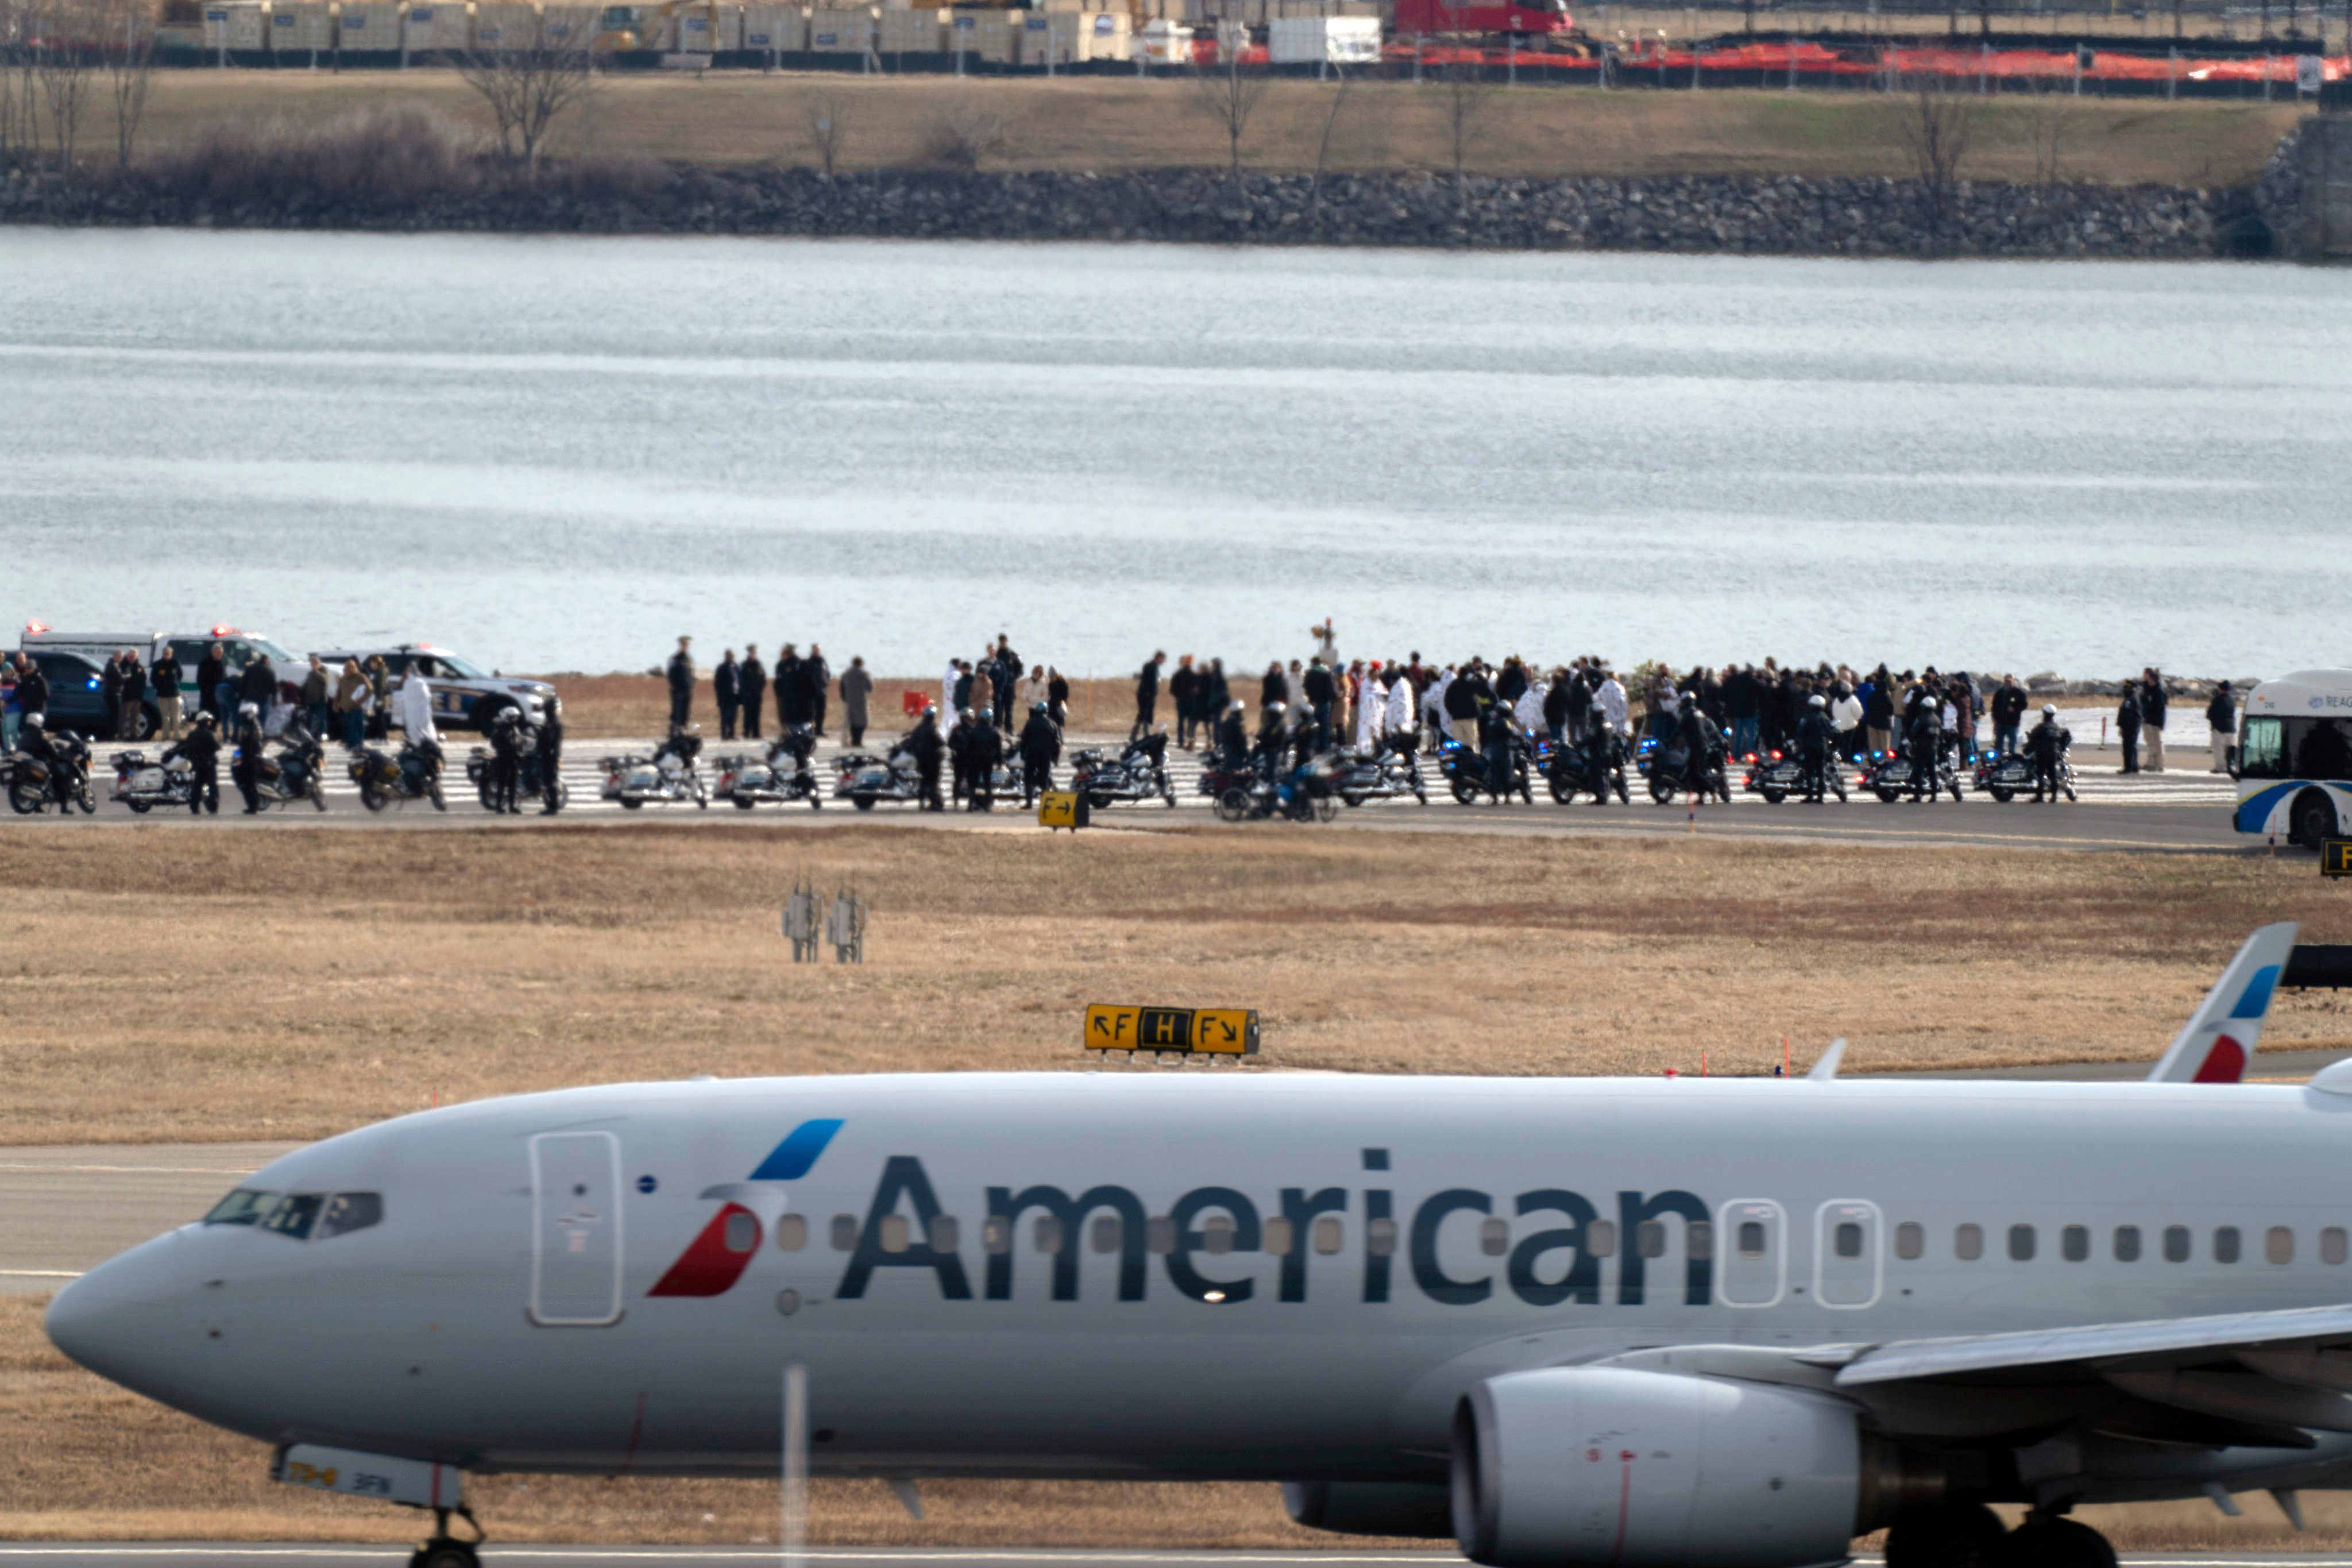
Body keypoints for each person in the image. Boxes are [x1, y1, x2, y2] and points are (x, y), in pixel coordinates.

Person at [162, 710, 221, 816]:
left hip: (197, 765)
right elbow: (217, 747)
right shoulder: (210, 735)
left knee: (197, 786)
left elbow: (186, 747)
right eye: (208, 721)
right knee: (212, 786)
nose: (210, 723)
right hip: (209, 765)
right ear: (205, 722)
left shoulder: (192, 735)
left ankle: (194, 808)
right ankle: (213, 808)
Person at [2025, 704, 2072, 803]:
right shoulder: (2057, 727)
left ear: (2044, 714)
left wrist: (2027, 750)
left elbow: (2032, 739)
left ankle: (2040, 796)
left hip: (2042, 752)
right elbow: (2063, 740)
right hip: (2053, 753)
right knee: (2052, 774)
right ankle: (2054, 796)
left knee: (2040, 774)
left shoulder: (2041, 727)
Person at [486, 704, 527, 814]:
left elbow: (519, 741)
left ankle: (512, 806)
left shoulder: (515, 728)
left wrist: (521, 751)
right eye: (512, 717)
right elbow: (496, 743)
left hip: (514, 759)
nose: (515, 719)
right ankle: (499, 806)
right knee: (502, 783)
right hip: (504, 759)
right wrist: (510, 749)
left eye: (515, 717)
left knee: (513, 784)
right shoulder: (500, 729)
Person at [1796, 693, 1837, 803]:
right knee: (1821, 771)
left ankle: (1810, 795)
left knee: (1809, 771)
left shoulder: (1807, 717)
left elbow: (1800, 731)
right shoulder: (1825, 718)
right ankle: (1820, 797)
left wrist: (1801, 744)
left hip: (1809, 746)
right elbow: (1831, 733)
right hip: (1822, 746)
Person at [1017, 702, 1060, 805]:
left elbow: (1024, 740)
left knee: (1028, 778)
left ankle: (1029, 803)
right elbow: (1057, 743)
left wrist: (1023, 754)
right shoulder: (1052, 724)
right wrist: (1055, 758)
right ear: (1046, 711)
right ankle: (1045, 804)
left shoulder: (1030, 723)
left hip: (1032, 754)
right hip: (1045, 755)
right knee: (1044, 779)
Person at [904, 705, 944, 811]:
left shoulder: (919, 728)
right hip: (932, 759)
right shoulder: (933, 728)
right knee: (933, 782)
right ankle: (935, 803)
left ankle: (921, 803)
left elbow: (912, 741)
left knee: (924, 781)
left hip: (920, 759)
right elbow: (940, 742)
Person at [230, 702, 266, 814]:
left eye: (244, 714)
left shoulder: (252, 727)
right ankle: (252, 805)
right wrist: (236, 757)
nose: (242, 717)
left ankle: (253, 806)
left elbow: (250, 745)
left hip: (250, 759)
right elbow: (241, 744)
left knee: (249, 784)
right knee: (244, 783)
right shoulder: (248, 726)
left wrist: (242, 756)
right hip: (245, 757)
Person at [965, 708, 1003, 812]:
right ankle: (987, 806)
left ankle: (970, 805)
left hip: (975, 759)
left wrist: (969, 760)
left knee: (973, 783)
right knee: (987, 783)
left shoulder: (974, 731)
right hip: (988, 760)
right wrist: (999, 762)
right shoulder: (994, 732)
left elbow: (969, 747)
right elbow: (998, 750)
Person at [397, 663, 439, 752]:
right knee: (418, 730)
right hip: (416, 713)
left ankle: (423, 746)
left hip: (417, 713)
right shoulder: (415, 683)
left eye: (408, 670)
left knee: (419, 730)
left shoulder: (415, 683)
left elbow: (423, 697)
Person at [536, 697, 566, 814]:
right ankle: (550, 806)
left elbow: (551, 740)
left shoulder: (554, 723)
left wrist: (546, 747)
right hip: (547, 755)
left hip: (551, 756)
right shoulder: (549, 722)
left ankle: (553, 807)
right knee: (547, 781)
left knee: (551, 781)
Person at [333, 659, 369, 749]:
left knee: (357, 726)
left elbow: (370, 689)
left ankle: (358, 744)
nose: (347, 672)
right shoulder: (343, 679)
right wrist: (335, 704)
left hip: (357, 707)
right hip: (346, 707)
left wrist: (361, 700)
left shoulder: (361, 677)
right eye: (345, 670)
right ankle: (350, 744)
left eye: (349, 670)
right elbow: (339, 692)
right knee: (349, 727)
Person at [150, 646, 183, 742]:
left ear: (171, 654)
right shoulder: (157, 664)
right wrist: (159, 688)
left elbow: (180, 675)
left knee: (176, 716)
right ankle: (166, 736)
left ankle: (177, 736)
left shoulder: (175, 663)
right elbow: (153, 679)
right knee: (165, 717)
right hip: (162, 695)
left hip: (174, 694)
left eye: (168, 654)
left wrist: (176, 684)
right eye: (165, 654)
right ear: (162, 654)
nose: (166, 655)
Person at [1302, 658, 1335, 750]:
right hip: (1325, 703)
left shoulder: (1311, 673)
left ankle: (1313, 747)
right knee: (1324, 727)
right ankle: (1324, 748)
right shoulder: (1327, 673)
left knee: (1313, 726)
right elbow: (1331, 689)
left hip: (1314, 703)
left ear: (1313, 663)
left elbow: (1306, 687)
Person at [840, 656, 873, 748]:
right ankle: (858, 741)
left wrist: (844, 697)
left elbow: (842, 687)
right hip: (862, 700)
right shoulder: (865, 674)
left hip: (849, 700)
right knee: (862, 721)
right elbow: (870, 687)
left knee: (852, 721)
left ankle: (854, 741)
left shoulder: (847, 674)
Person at [1990, 675, 2026, 756]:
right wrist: (1995, 718)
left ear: (2014, 681)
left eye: (2010, 681)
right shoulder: (2000, 692)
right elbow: (1994, 706)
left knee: (2012, 740)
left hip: (2012, 722)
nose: (2008, 683)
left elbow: (2024, 705)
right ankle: (1998, 757)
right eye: (2006, 681)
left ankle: (2012, 756)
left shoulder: (2018, 693)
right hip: (2001, 721)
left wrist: (2015, 709)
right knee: (1999, 741)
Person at [1169, 656, 1200, 750]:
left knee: (1181, 722)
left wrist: (1178, 696)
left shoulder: (1177, 675)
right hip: (1192, 702)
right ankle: (1191, 740)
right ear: (1191, 664)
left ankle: (1180, 742)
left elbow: (1172, 690)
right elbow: (1198, 690)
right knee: (1191, 722)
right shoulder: (1195, 675)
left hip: (1181, 701)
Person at [2208, 679, 2237, 774]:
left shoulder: (2217, 699)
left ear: (2220, 689)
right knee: (2229, 749)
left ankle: (2220, 768)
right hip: (2231, 727)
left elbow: (2210, 714)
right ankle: (2231, 766)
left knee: (2218, 748)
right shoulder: (2231, 700)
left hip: (2220, 728)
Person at [2142, 669, 2168, 774]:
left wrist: (2146, 705)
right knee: (2150, 743)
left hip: (2155, 721)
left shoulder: (2158, 691)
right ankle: (2151, 763)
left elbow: (2157, 706)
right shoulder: (2150, 689)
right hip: (2148, 720)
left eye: (2149, 678)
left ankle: (2159, 764)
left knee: (2157, 743)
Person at [196, 642, 227, 731]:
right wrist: (207, 691)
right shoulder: (204, 664)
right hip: (207, 695)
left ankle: (213, 732)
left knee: (216, 717)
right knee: (205, 715)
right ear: (213, 652)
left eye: (221, 653)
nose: (220, 655)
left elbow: (223, 677)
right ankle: (203, 732)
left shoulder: (221, 663)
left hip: (217, 695)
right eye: (219, 653)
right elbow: (200, 680)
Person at [740, 645, 767, 741]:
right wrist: (745, 691)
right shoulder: (744, 665)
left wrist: (760, 689)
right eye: (751, 653)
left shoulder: (759, 665)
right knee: (748, 714)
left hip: (757, 694)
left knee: (757, 714)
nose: (753, 655)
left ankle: (756, 733)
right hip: (748, 694)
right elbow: (741, 680)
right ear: (749, 654)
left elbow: (763, 678)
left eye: (754, 653)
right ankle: (746, 732)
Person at [1134, 652, 1164, 741]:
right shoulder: (1150, 666)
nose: (1163, 661)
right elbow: (1145, 680)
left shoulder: (1156, 667)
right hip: (1145, 694)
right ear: (1158, 658)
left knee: (1148, 715)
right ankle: (1135, 734)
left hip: (1151, 695)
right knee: (1143, 714)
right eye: (1162, 659)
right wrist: (1147, 692)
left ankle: (1146, 734)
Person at [666, 638, 695, 731]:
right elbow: (670, 674)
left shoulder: (689, 659)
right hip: (678, 690)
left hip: (687, 690)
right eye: (683, 645)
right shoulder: (675, 659)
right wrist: (675, 685)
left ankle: (684, 731)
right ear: (680, 645)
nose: (685, 646)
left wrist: (691, 684)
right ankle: (674, 732)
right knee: (677, 712)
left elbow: (692, 673)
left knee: (685, 712)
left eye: (687, 645)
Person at [300, 655, 331, 744]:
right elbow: (306, 685)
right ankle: (311, 736)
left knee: (322, 720)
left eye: (313, 664)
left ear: (317, 663)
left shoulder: (323, 670)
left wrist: (316, 671)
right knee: (310, 719)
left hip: (320, 700)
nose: (312, 666)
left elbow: (325, 680)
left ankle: (324, 737)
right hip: (311, 701)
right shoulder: (311, 673)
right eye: (311, 665)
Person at [2116, 679, 2142, 776]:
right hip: (2133, 726)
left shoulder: (2130, 699)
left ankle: (2129, 767)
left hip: (2130, 726)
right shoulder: (2133, 698)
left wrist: (2122, 726)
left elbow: (2126, 714)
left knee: (2128, 747)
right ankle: (2134, 766)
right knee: (2132, 746)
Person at [1215, 698, 1249, 773]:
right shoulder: (1239, 725)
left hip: (1227, 753)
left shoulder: (1225, 724)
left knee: (1228, 773)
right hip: (1237, 755)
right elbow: (1243, 742)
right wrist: (1248, 756)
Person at [715, 650, 741, 741]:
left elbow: (740, 679)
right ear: (726, 656)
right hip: (725, 696)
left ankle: (732, 734)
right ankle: (724, 734)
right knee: (725, 716)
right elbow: (717, 683)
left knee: (734, 716)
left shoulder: (736, 667)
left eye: (732, 656)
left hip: (735, 696)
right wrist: (720, 695)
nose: (731, 657)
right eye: (729, 656)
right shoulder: (722, 668)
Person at [805, 646, 832, 737]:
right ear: (812, 651)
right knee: (810, 714)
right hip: (811, 692)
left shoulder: (823, 662)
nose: (817, 652)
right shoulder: (809, 662)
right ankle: (809, 730)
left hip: (822, 691)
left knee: (821, 712)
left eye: (818, 650)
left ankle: (819, 730)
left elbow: (827, 673)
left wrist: (826, 683)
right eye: (815, 650)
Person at [100, 652, 126, 743]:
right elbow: (120, 679)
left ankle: (112, 734)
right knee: (114, 715)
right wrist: (128, 676)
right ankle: (112, 734)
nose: (121, 659)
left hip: (112, 692)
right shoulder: (113, 666)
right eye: (120, 657)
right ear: (116, 657)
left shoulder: (112, 665)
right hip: (113, 693)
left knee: (113, 714)